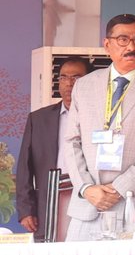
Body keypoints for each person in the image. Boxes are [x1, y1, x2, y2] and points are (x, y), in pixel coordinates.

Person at [59, 14, 135, 240]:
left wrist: (119, 188)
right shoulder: (84, 86)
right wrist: (87, 188)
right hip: (89, 204)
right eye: (123, 39)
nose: (131, 47)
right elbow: (71, 141)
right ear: (107, 44)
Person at [16, 56, 89, 240]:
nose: (68, 83)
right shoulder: (39, 119)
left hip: (88, 197)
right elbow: (25, 168)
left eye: (76, 78)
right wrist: (26, 210)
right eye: (63, 77)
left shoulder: (100, 118)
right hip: (48, 202)